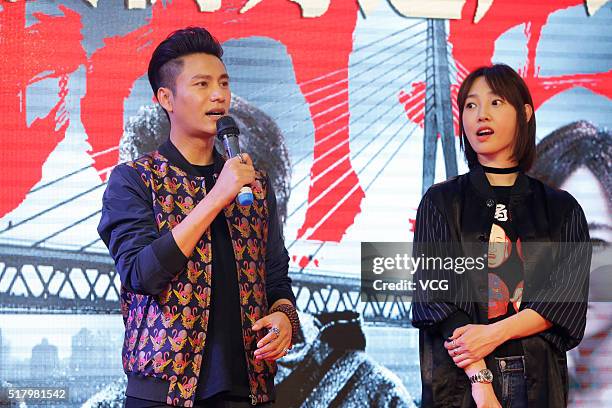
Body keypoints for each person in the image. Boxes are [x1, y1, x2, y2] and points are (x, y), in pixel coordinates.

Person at [97, 27, 299, 407]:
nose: (220, 94)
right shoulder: (135, 180)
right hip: (165, 392)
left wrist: (285, 317)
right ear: (166, 98)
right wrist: (215, 197)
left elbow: (275, 276)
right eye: (203, 84)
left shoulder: (254, 186)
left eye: (223, 83)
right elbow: (142, 273)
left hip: (250, 391)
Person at [411, 64, 591, 407]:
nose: (481, 115)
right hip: (462, 386)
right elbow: (435, 296)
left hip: (538, 381)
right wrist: (481, 383)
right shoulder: (440, 201)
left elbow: (563, 302)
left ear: (524, 113)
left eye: (495, 103)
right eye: (470, 105)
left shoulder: (562, 208)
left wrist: (494, 334)